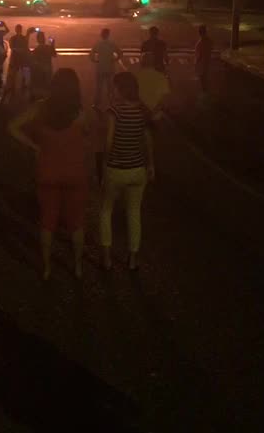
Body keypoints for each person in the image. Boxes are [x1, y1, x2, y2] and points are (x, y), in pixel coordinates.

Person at [9, 68, 94, 280]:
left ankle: (46, 268)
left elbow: (12, 127)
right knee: (76, 222)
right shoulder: (81, 114)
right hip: (75, 172)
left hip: (47, 171)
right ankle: (77, 267)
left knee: (47, 221)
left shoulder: (40, 108)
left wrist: (34, 146)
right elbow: (88, 137)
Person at [100, 71, 154, 271]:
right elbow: (148, 140)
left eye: (114, 86)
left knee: (106, 210)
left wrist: (105, 162)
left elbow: (108, 141)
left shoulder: (114, 111)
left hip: (116, 168)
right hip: (138, 169)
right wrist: (151, 164)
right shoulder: (143, 110)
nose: (112, 90)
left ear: (120, 89)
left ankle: (106, 258)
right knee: (134, 212)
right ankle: (132, 259)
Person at [90, 28, 123, 109]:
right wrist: (115, 59)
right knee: (110, 87)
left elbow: (91, 55)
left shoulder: (98, 44)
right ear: (108, 35)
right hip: (110, 67)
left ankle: (97, 103)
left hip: (100, 68)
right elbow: (120, 53)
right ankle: (112, 103)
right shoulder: (112, 44)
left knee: (99, 87)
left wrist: (95, 60)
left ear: (101, 35)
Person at [137, 51, 170, 120]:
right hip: (156, 115)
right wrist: (153, 112)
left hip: (138, 113)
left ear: (141, 62)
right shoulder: (161, 77)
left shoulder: (135, 76)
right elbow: (165, 99)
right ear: (153, 62)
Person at [195, 24, 212, 96]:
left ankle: (205, 92)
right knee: (205, 77)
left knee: (202, 78)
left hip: (202, 62)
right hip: (208, 61)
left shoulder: (199, 43)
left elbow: (199, 55)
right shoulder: (209, 41)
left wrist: (196, 63)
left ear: (199, 33)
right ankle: (206, 91)